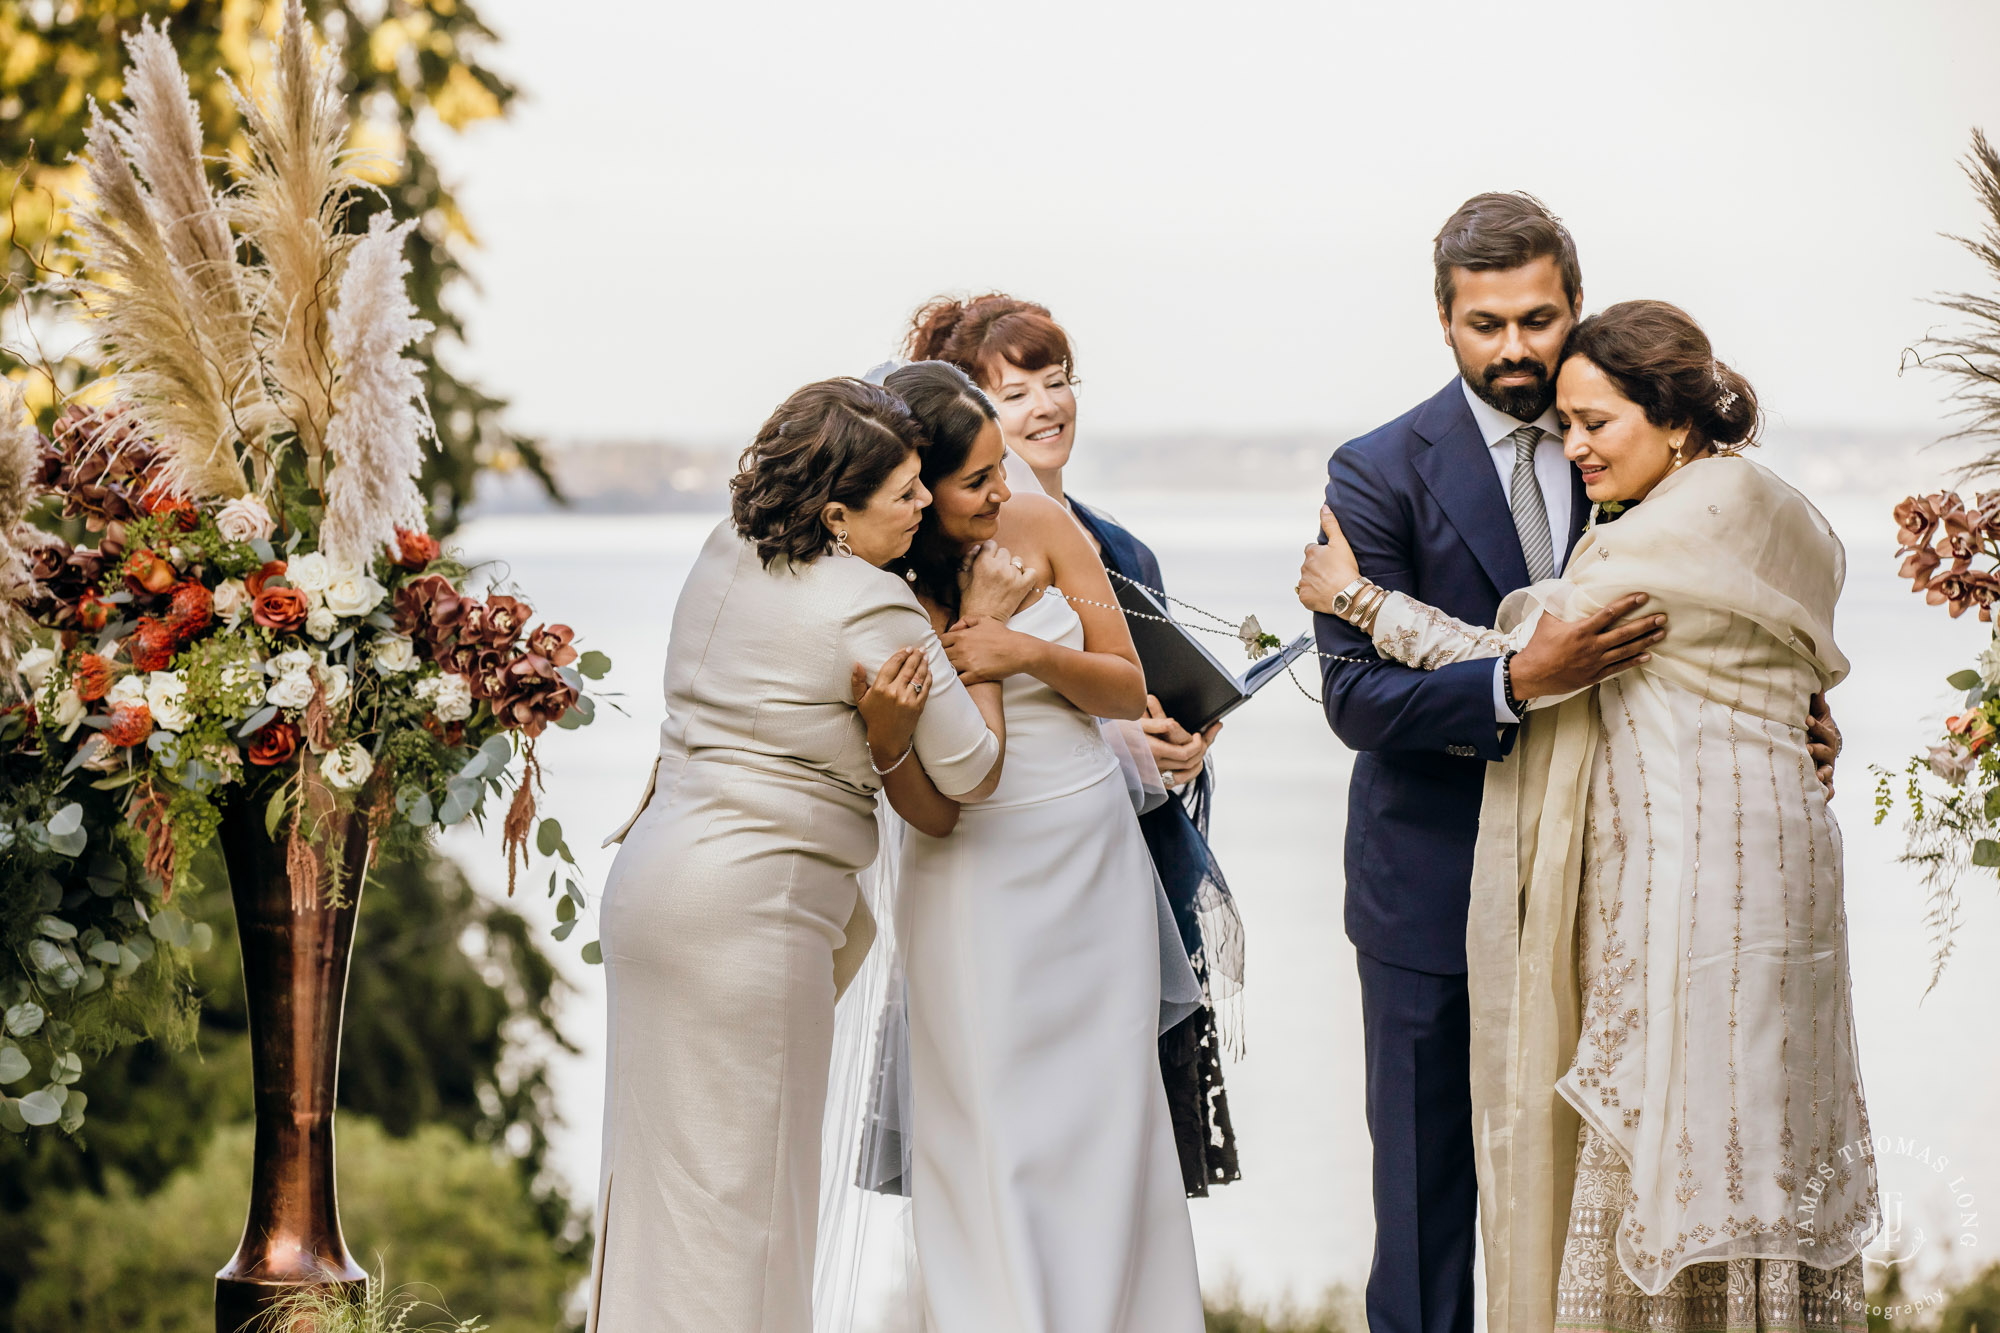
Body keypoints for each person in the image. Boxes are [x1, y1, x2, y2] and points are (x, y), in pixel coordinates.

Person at [1301, 193, 1845, 1333]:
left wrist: (1783, 716)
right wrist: (1514, 684)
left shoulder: (1628, 439)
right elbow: (1355, 697)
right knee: (1426, 1219)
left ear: (1574, 309)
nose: (1513, 348)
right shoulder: (1374, 471)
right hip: (1431, 891)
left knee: (1596, 1210)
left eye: (1536, 319)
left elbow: (1718, 622)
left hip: (1624, 907)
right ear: (1442, 321)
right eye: (1483, 323)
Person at [587, 376, 1028, 1333]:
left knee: (659, 1207)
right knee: (752, 1211)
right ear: (836, 513)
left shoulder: (725, 549)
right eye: (905, 493)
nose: (924, 507)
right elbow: (975, 768)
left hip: (652, 890)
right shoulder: (874, 607)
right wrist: (979, 641)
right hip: (747, 919)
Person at [877, 359, 1206, 1333]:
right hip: (968, 875)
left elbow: (1121, 682)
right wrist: (973, 628)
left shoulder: (1043, 524)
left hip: (1090, 868)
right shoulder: (881, 579)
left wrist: (1022, 648)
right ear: (915, 490)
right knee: (989, 1125)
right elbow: (933, 777)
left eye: (998, 470)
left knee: (1105, 1123)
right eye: (976, 479)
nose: (1000, 491)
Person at [907, 293, 1244, 1195]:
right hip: (1005, 862)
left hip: (1120, 873)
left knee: (1123, 1154)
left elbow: (1143, 685)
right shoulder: (925, 552)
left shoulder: (1122, 547)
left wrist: (1183, 747)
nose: (1046, 408)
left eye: (1058, 383)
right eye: (1014, 394)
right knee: (1011, 1148)